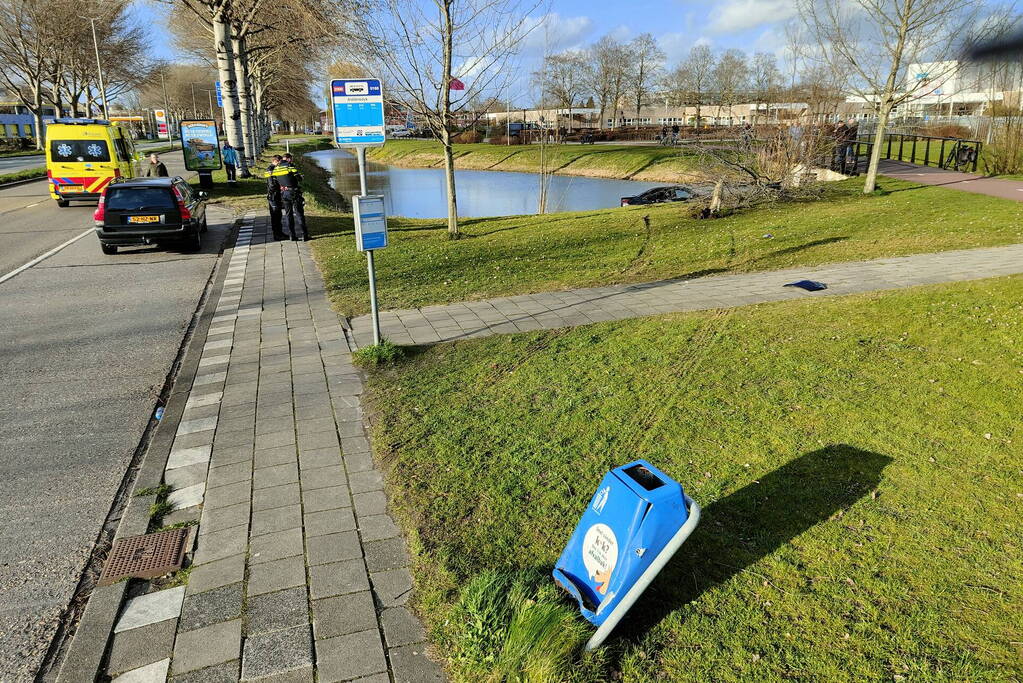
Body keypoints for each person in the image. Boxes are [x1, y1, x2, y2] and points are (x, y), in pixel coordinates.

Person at [266, 156, 308, 241]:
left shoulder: (275, 170)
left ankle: (292, 236)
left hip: (284, 194)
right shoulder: (289, 166)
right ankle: (305, 235)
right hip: (292, 192)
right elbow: (298, 178)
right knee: (299, 213)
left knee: (288, 215)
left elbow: (273, 179)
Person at [265, 154, 285, 241]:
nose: (280, 165)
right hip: (273, 195)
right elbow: (271, 184)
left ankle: (280, 233)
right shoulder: (270, 169)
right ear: (276, 161)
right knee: (275, 215)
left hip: (276, 195)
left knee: (279, 215)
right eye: (279, 163)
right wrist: (280, 186)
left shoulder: (274, 169)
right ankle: (277, 235)